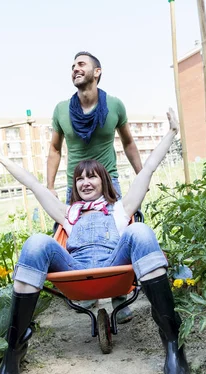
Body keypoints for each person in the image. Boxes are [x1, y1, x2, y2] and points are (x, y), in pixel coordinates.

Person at [0, 108, 189, 374]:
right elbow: (32, 183)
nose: (85, 182)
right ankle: (13, 349)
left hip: (114, 265)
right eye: (80, 178)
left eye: (92, 177)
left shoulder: (120, 209)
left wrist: (171, 133)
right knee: (36, 242)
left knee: (140, 231)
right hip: (75, 271)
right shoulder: (67, 213)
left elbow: (147, 170)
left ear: (103, 181)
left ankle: (172, 341)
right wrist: (0, 158)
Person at [47, 51, 143, 322]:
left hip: (108, 182)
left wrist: (141, 175)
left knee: (116, 234)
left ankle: (120, 296)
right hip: (76, 186)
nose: (75, 69)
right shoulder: (61, 110)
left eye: (81, 64)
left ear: (97, 72)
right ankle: (86, 288)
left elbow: (128, 143)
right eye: (72, 66)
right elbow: (55, 149)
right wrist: (50, 185)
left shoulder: (114, 105)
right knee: (77, 239)